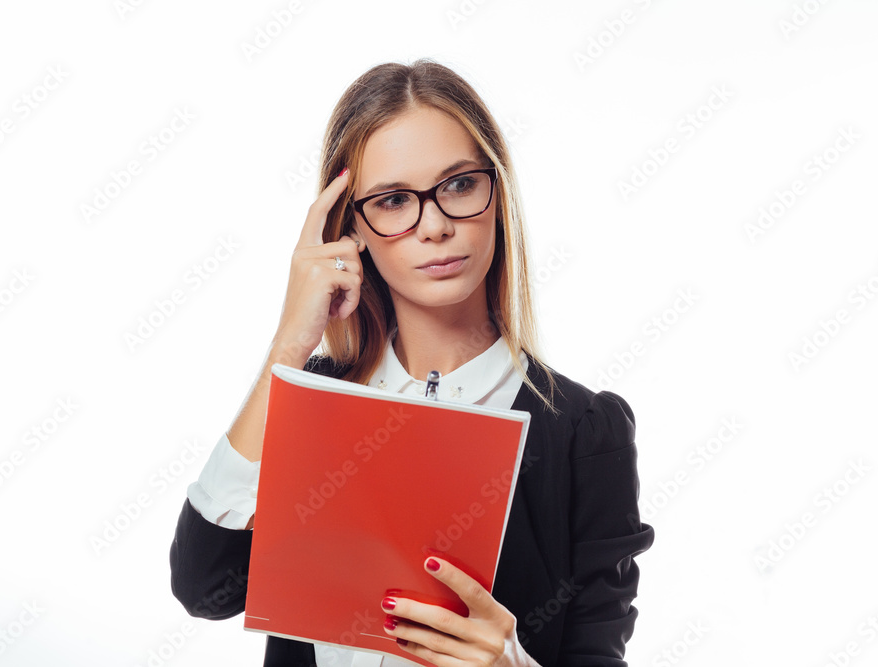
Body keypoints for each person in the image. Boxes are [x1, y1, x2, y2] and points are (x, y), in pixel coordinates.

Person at [169, 58, 654, 667]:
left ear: (496, 193)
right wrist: (290, 345)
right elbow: (203, 589)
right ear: (353, 229)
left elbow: (595, 651)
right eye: (394, 200)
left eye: (458, 185)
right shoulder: (310, 399)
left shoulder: (583, 431)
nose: (435, 226)